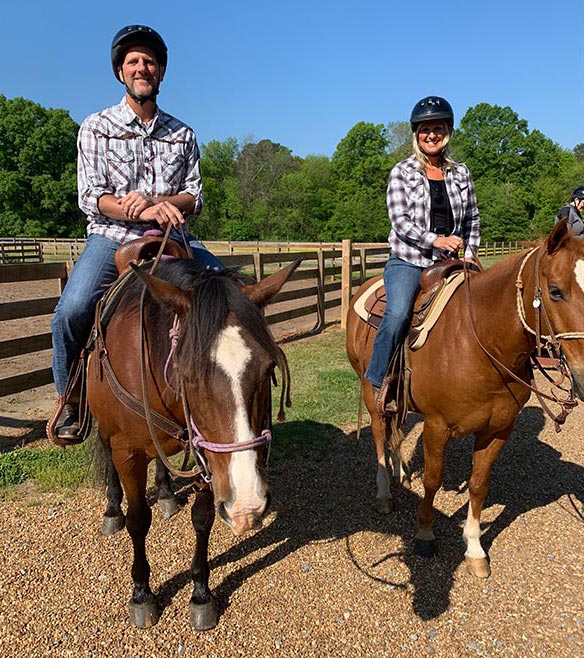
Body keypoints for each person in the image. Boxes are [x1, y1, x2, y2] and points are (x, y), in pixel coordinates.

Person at [48, 25, 222, 444]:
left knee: (231, 294)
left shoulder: (183, 134)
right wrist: (143, 205)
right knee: (70, 311)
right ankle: (70, 398)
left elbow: (194, 196)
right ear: (120, 72)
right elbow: (91, 196)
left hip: (172, 237)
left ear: (160, 71)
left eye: (149, 61)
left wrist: (163, 204)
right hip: (111, 236)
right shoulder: (96, 126)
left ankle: (226, 395)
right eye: (133, 62)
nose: (142, 67)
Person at [364, 96, 481, 415]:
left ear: (448, 132)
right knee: (400, 311)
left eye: (438, 128)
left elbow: (471, 217)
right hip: (409, 259)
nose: (432, 134)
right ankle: (381, 378)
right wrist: (437, 240)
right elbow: (400, 221)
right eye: (426, 129)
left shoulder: (461, 172)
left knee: (483, 307)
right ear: (416, 134)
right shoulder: (402, 172)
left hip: (454, 261)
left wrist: (469, 252)